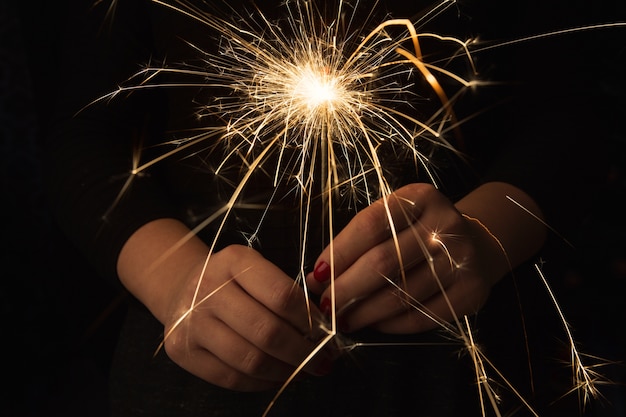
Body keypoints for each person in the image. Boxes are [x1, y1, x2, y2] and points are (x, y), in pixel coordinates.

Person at [46, 0, 611, 416]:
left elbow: (577, 105)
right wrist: (172, 278)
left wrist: (487, 234)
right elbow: (83, 132)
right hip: (197, 380)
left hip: (480, 373)